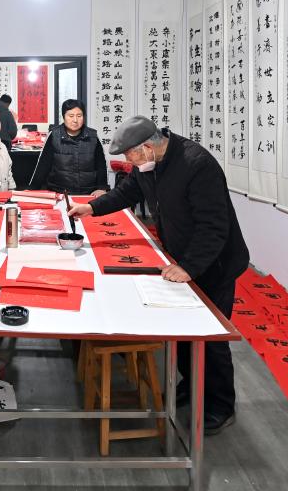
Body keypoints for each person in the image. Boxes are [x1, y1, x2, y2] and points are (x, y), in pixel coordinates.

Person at [67, 115, 249, 435]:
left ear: (148, 147)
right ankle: (192, 385)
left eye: (131, 155)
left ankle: (221, 405)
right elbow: (126, 193)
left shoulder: (197, 165)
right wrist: (92, 208)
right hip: (182, 255)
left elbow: (213, 226)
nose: (130, 162)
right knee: (184, 332)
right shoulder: (148, 166)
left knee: (211, 339)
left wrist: (188, 267)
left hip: (215, 263)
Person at [29, 99, 108, 196]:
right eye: (71, 116)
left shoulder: (93, 136)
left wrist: (102, 188)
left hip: (88, 193)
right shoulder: (54, 135)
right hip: (59, 192)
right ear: (63, 117)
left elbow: (101, 164)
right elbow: (43, 165)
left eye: (79, 116)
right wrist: (32, 190)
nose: (75, 120)